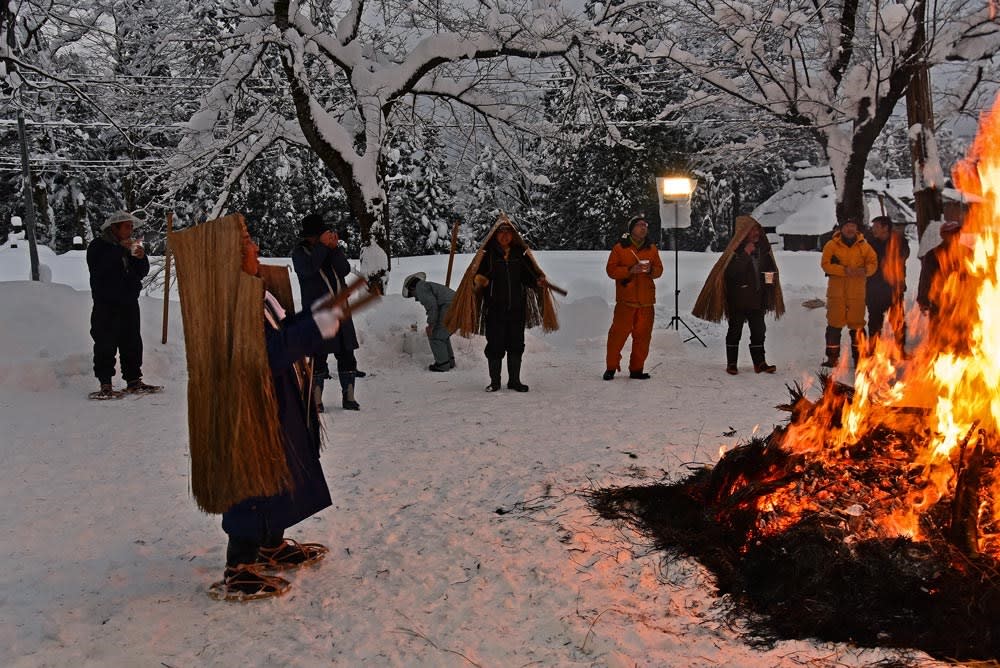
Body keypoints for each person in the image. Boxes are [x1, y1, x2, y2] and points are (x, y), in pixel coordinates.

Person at [171, 214, 348, 601]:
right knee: (253, 479)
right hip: (250, 407)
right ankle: (240, 566)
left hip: (276, 400)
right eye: (247, 242)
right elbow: (266, 354)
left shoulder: (253, 292)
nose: (255, 247)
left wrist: (319, 315)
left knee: (280, 471)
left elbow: (280, 334)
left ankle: (270, 543)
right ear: (228, 256)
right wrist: (318, 325)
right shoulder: (229, 306)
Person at [692, 215, 785, 375]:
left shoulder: (763, 249)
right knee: (735, 331)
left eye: (757, 229)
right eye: (752, 230)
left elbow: (769, 269)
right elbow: (731, 274)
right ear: (744, 232)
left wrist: (769, 285)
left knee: (759, 331)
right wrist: (744, 255)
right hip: (738, 300)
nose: (756, 233)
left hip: (757, 300)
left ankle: (760, 363)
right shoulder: (734, 252)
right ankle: (732, 363)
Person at [86, 210, 161, 399]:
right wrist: (121, 249)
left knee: (132, 342)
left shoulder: (130, 245)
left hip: (128, 302)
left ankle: (134, 380)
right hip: (106, 304)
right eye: (127, 226)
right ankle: (105, 384)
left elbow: (142, 271)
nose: (131, 230)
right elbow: (100, 268)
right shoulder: (98, 246)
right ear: (114, 228)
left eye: (131, 226)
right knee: (105, 343)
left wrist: (140, 257)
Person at [291, 213, 362, 411]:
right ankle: (316, 400)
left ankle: (349, 397)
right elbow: (309, 269)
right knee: (318, 355)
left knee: (347, 354)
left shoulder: (329, 251)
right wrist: (322, 247)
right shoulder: (300, 253)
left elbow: (344, 269)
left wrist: (334, 249)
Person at [604, 215, 664, 380]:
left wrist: (651, 269)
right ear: (631, 229)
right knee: (617, 336)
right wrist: (630, 270)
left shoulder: (651, 248)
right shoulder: (620, 248)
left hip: (646, 302)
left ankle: (636, 370)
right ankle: (610, 368)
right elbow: (611, 271)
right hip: (626, 301)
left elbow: (659, 270)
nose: (643, 228)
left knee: (643, 338)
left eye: (645, 225)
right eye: (639, 225)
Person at [820, 218, 878, 367]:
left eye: (853, 226)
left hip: (857, 293)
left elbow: (873, 263)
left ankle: (860, 358)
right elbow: (825, 265)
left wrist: (864, 270)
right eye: (847, 226)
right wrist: (843, 271)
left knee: (857, 326)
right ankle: (832, 359)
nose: (850, 229)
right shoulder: (831, 245)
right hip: (836, 293)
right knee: (834, 325)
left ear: (856, 229)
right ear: (842, 228)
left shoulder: (864, 246)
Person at [864, 215, 910, 347]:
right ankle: (872, 350)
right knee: (874, 322)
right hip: (874, 289)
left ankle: (900, 349)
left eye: (876, 226)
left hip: (893, 288)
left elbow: (903, 255)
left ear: (886, 228)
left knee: (898, 321)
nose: (873, 229)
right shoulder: (871, 243)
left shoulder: (899, 242)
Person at [402, 272, 456, 371]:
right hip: (455, 307)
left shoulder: (421, 288)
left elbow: (432, 307)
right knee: (443, 336)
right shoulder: (426, 286)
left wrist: (431, 325)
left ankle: (442, 365)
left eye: (412, 295)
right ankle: (449, 362)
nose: (415, 298)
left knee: (435, 336)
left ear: (411, 288)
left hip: (450, 308)